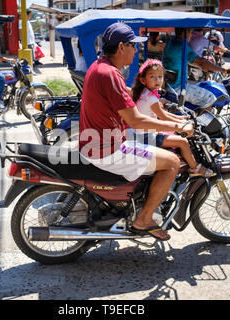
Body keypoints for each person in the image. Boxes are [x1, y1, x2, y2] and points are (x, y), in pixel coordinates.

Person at [79, 22, 194, 241]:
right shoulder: (110, 74)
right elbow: (137, 120)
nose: (136, 51)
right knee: (171, 162)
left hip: (100, 143)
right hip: (107, 149)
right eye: (133, 46)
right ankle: (144, 219)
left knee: (155, 150)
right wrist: (178, 126)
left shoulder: (99, 67)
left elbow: (129, 109)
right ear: (121, 47)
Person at [130, 59, 215, 177]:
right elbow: (163, 116)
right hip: (145, 137)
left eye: (160, 77)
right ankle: (195, 168)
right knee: (183, 142)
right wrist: (182, 124)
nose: (157, 80)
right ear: (143, 80)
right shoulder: (151, 98)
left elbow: (163, 114)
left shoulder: (145, 93)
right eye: (152, 77)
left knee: (174, 134)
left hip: (141, 133)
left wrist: (180, 119)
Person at [162, 28, 230, 110]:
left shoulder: (171, 42)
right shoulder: (182, 46)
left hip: (169, 85)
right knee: (210, 98)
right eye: (190, 32)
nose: (191, 35)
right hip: (178, 87)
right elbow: (201, 62)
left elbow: (192, 61)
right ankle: (201, 122)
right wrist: (223, 70)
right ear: (186, 31)